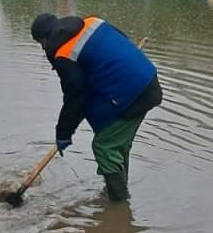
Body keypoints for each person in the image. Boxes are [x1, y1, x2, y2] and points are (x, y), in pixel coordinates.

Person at [31, 12, 162, 201]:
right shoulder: (92, 22)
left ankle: (118, 204)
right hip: (148, 81)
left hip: (134, 93)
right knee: (116, 142)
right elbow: (120, 42)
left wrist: (63, 133)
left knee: (104, 146)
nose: (43, 48)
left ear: (44, 40)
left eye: (40, 43)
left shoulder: (64, 55)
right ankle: (116, 191)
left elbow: (74, 98)